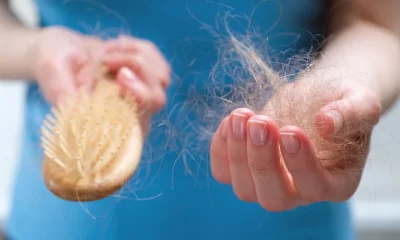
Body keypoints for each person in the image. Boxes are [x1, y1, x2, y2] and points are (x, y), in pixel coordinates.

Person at [0, 0, 399, 239]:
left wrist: (344, 88)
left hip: (292, 216)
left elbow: (379, 22)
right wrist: (37, 50)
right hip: (61, 227)